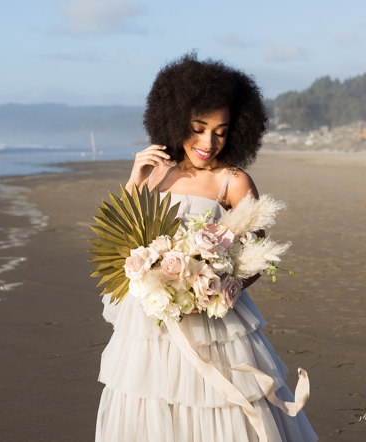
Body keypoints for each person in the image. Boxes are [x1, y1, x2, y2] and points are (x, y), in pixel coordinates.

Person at [95, 52, 318, 441]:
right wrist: (136, 176)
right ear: (178, 119)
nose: (208, 141)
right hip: (150, 320)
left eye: (221, 130)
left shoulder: (232, 180)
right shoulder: (157, 173)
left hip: (212, 324)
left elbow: (256, 259)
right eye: (199, 127)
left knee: (218, 409)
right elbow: (123, 238)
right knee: (152, 402)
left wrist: (213, 290)